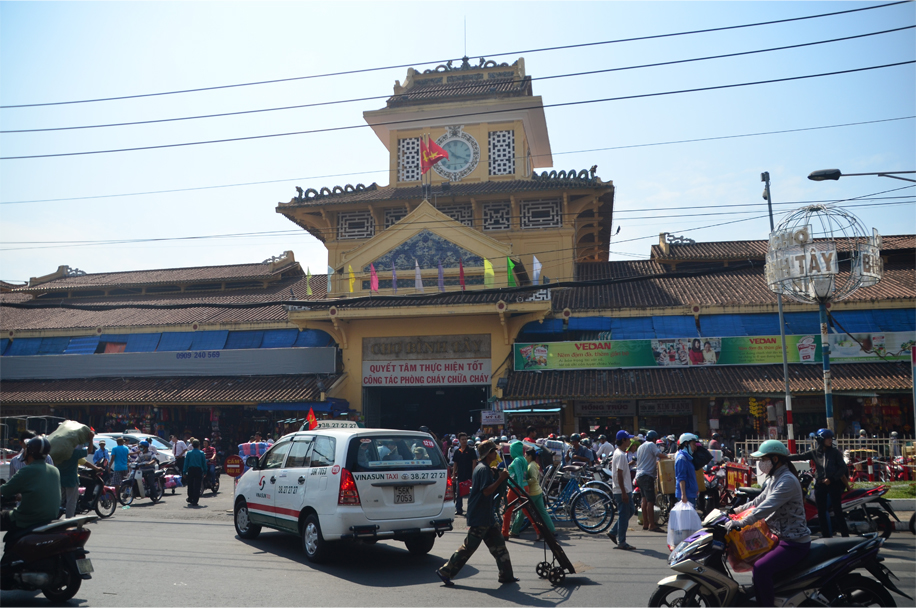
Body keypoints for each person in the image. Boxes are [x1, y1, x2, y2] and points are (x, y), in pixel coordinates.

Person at [726, 440, 811, 607]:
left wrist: (742, 522)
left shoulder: (787, 481)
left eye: (763, 459)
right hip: (777, 537)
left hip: (793, 542)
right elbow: (758, 501)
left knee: (761, 568)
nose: (761, 464)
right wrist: (733, 512)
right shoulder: (775, 477)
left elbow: (766, 507)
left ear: (776, 459)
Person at [436, 440, 517, 587]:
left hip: (487, 516)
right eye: (494, 451)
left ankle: (507, 575)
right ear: (489, 454)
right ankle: (445, 571)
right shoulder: (483, 469)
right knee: (468, 548)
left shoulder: (484, 468)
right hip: (480, 516)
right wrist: (500, 479)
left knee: (499, 545)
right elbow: (486, 491)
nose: (496, 453)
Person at [789, 428, 850, 538]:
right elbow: (800, 456)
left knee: (838, 511)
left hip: (833, 484)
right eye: (827, 438)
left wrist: (831, 479)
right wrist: (783, 458)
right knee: (821, 512)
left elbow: (843, 468)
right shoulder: (815, 453)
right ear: (821, 440)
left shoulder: (835, 453)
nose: (830, 440)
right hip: (820, 484)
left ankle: (845, 536)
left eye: (831, 438)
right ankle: (826, 536)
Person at [1, 436, 61, 533]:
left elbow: (5, 490)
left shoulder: (26, 470)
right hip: (50, 516)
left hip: (27, 519)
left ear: (28, 452)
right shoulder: (55, 470)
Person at [511, 446, 555, 540]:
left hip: (533, 492)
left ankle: (514, 531)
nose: (525, 456)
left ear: (530, 456)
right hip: (537, 491)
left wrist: (524, 481)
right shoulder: (534, 464)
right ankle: (551, 530)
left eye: (526, 455)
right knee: (542, 512)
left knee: (521, 512)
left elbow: (533, 479)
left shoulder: (531, 466)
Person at [607, 430, 636, 550]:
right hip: (621, 490)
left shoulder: (620, 454)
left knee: (630, 511)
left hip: (625, 489)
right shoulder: (620, 454)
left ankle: (614, 531)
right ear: (623, 440)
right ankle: (622, 541)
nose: (629, 441)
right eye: (628, 439)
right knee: (624, 515)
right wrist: (623, 492)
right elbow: (619, 474)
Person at [635, 430, 668, 533]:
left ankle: (645, 523)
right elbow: (659, 455)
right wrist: (668, 457)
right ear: (654, 439)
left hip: (639, 476)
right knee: (650, 501)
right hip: (647, 476)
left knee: (644, 500)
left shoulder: (641, 446)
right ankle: (652, 524)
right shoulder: (651, 445)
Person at [502, 441, 535, 539]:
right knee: (527, 511)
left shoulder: (516, 460)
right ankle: (539, 530)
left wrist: (519, 489)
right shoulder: (523, 459)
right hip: (524, 486)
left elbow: (519, 475)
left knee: (507, 510)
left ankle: (504, 533)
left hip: (516, 487)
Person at [58, 436, 94, 519]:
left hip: (60, 479)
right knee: (71, 501)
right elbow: (89, 451)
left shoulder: (59, 453)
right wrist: (91, 439)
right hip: (71, 480)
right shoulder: (74, 453)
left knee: (60, 501)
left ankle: (55, 517)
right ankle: (69, 520)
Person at [450, 432, 476, 517]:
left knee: (470, 495)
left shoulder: (471, 450)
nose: (464, 441)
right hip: (460, 475)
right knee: (459, 494)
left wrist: (473, 474)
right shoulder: (457, 451)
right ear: (459, 441)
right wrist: (453, 474)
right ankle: (459, 510)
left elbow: (474, 462)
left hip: (469, 476)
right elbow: (455, 464)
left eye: (465, 439)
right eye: (462, 439)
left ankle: (470, 510)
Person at [675, 433, 699, 507]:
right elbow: (681, 478)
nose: (695, 447)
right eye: (693, 444)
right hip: (687, 495)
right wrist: (683, 495)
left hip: (691, 494)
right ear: (686, 444)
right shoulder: (682, 459)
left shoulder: (688, 458)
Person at [184, 439, 207, 506]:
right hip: (198, 470)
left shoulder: (189, 453)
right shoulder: (201, 453)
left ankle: (190, 497)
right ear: (199, 445)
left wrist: (184, 472)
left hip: (190, 470)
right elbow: (204, 463)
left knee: (190, 484)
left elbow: (186, 464)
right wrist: (205, 471)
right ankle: (195, 500)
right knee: (197, 485)